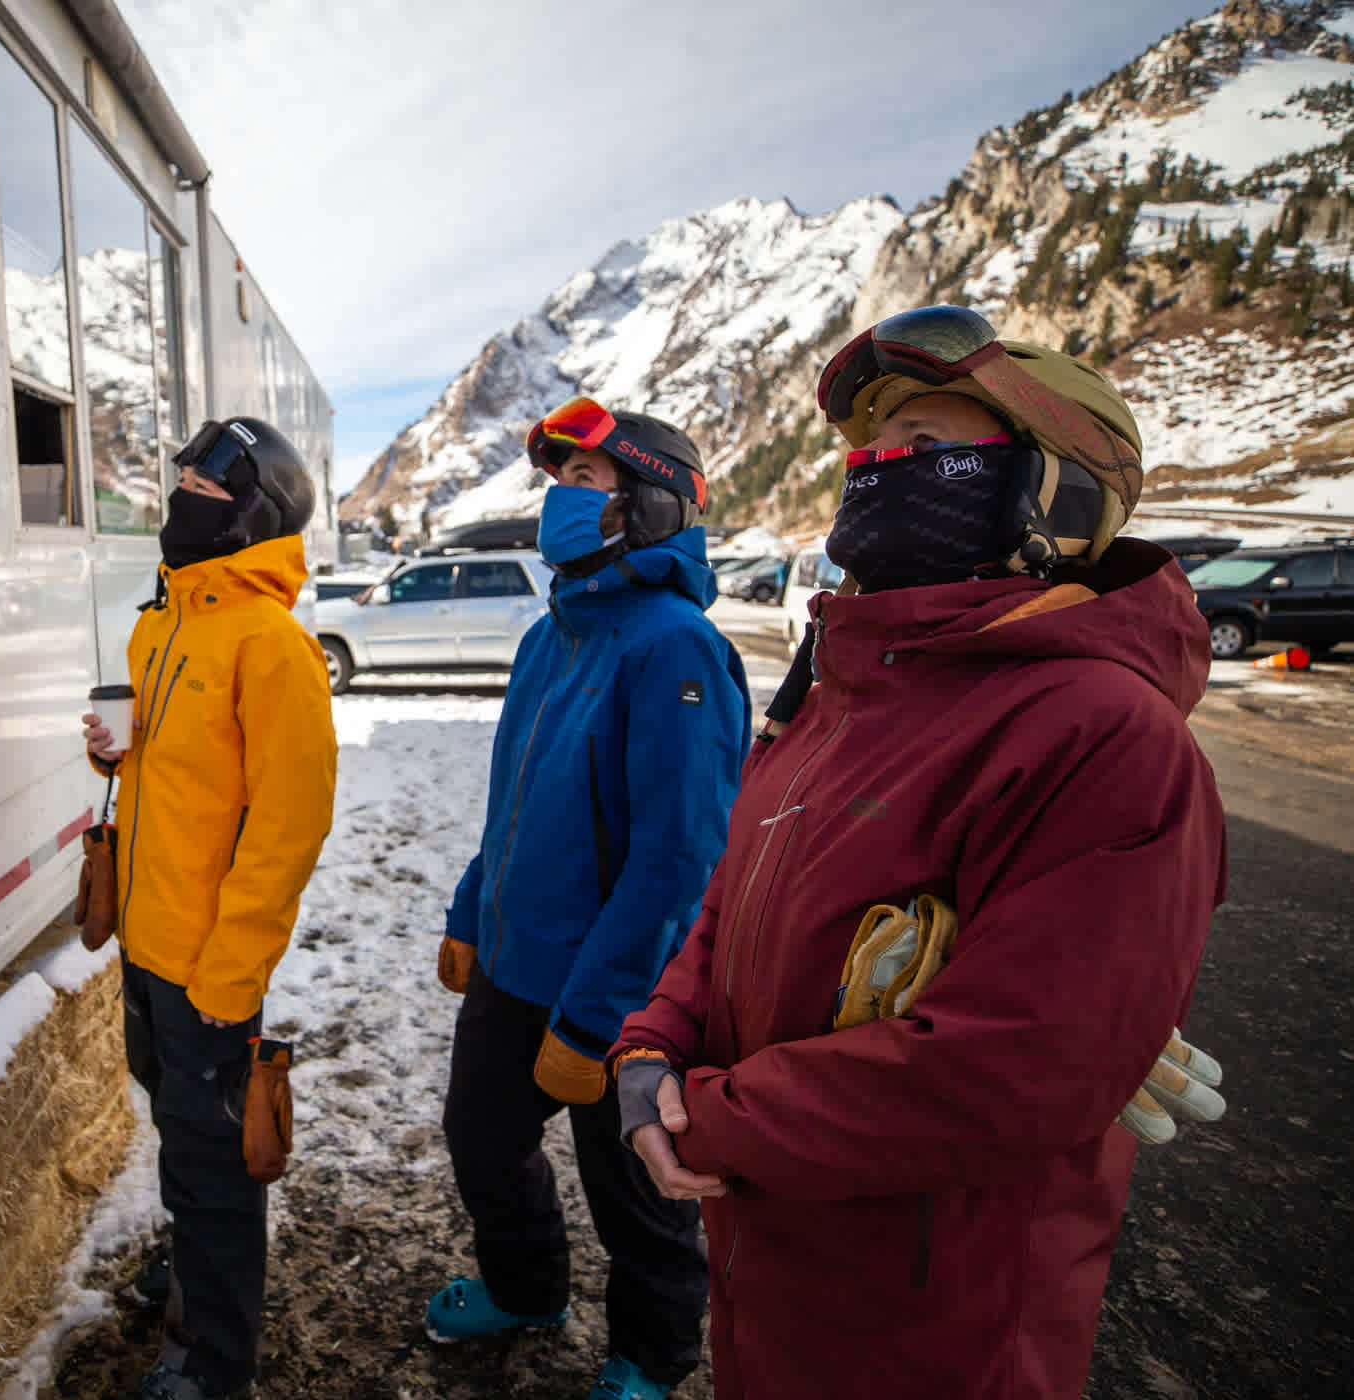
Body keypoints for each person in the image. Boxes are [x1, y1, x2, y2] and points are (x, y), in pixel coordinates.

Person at [612, 305, 1227, 1399]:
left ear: (1057, 494)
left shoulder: (1100, 731)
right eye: (872, 450)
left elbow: (1005, 1068)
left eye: (930, 448)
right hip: (776, 1270)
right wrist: (653, 1044)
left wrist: (705, 1115)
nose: (882, 470)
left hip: (937, 1325)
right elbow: (731, 904)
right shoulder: (845, 691)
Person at [429, 398, 751, 1400]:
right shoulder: (548, 636)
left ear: (651, 504)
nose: (559, 500)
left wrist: (601, 1011)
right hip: (516, 964)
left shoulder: (675, 648)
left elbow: (679, 859)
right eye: (557, 480)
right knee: (481, 1138)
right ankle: (528, 1287)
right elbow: (515, 800)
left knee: (636, 1190)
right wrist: (470, 909)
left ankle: (653, 1354)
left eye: (584, 481)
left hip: (624, 998)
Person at [81, 416, 338, 1400]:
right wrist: (111, 753)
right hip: (146, 946)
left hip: (208, 967)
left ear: (253, 509)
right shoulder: (164, 621)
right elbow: (165, 770)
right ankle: (195, 1267)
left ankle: (211, 1358)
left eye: (204, 482)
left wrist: (230, 976)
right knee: (178, 1129)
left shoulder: (273, 648)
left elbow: (287, 833)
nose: (181, 493)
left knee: (215, 1164)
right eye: (181, 475)